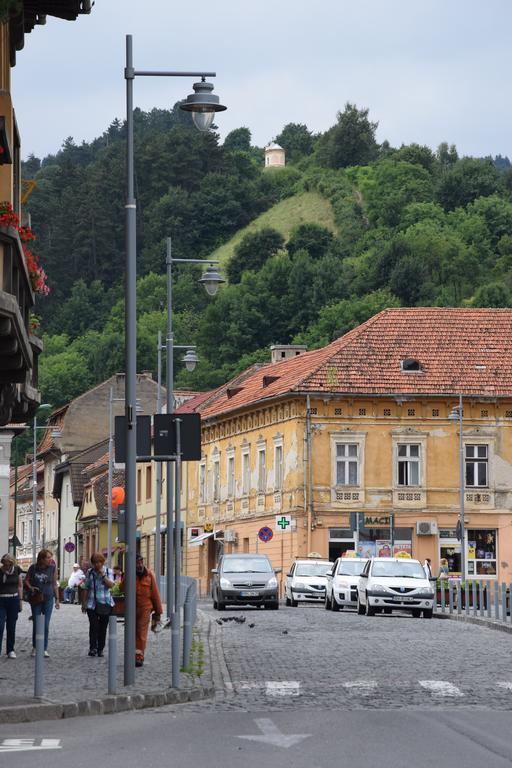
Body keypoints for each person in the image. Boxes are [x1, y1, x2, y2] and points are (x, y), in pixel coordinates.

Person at [122, 554, 162, 668]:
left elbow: (155, 593)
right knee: (131, 632)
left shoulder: (149, 575)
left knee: (141, 632)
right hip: (131, 608)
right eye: (137, 563)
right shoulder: (129, 575)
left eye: (141, 562)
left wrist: (158, 612)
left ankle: (139, 656)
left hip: (145, 608)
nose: (139, 565)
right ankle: (131, 654)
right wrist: (126, 577)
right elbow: (122, 588)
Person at [25, 548, 59, 657]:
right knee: (36, 622)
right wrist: (31, 588)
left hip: (48, 598)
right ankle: (35, 647)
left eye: (50, 557)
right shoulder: (33, 568)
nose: (50, 559)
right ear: (41, 559)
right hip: (36, 598)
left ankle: (44, 648)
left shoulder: (52, 568)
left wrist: (57, 599)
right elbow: (26, 580)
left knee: (46, 624)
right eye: (48, 558)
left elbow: (54, 583)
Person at [80, 552, 114, 657]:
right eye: (95, 563)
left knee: (103, 628)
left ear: (102, 562)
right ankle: (93, 648)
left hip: (105, 602)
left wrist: (103, 575)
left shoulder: (108, 571)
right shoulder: (90, 573)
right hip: (92, 603)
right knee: (93, 626)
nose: (97, 565)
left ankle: (100, 649)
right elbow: (86, 588)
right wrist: (84, 603)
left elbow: (111, 585)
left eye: (99, 562)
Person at [0, 554, 23, 658]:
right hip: (1, 599)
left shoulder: (16, 570)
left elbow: (20, 585)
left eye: (8, 563)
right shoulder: (0, 571)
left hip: (13, 599)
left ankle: (10, 650)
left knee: (11, 625)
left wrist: (20, 601)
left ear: (11, 562)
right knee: (0, 625)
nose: (6, 566)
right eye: (4, 563)